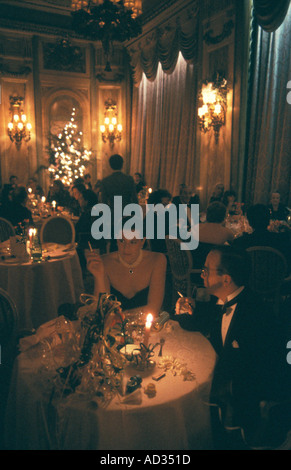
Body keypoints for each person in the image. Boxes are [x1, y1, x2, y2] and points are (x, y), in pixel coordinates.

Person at [173, 245, 284, 447]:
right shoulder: (221, 301)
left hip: (248, 401)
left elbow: (265, 371)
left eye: (207, 270)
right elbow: (200, 320)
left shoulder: (257, 317)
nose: (202, 274)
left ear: (226, 279)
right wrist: (184, 311)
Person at [86, 220, 167, 317]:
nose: (126, 248)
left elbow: (154, 308)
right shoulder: (105, 262)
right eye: (122, 241)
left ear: (142, 241)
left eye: (133, 242)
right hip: (114, 329)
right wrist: (98, 276)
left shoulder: (157, 260)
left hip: (145, 326)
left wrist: (118, 318)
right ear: (116, 239)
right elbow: (101, 310)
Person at [233, 203, 291, 273]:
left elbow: (236, 268)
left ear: (250, 223)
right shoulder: (282, 240)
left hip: (249, 281)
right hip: (276, 281)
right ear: (269, 221)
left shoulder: (240, 242)